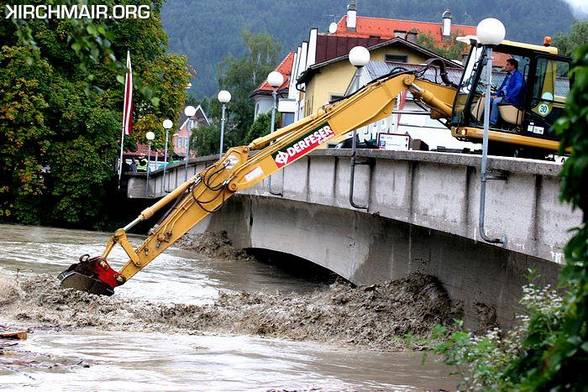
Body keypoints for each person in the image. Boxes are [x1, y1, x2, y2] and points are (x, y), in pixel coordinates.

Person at [490, 58, 525, 126]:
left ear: (513, 66)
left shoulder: (518, 76)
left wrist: (508, 97)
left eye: (507, 64)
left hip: (512, 99)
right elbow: (502, 87)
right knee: (490, 99)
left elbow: (518, 87)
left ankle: (492, 123)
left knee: (495, 102)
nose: (505, 66)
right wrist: (496, 94)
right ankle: (484, 120)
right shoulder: (509, 75)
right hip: (503, 96)